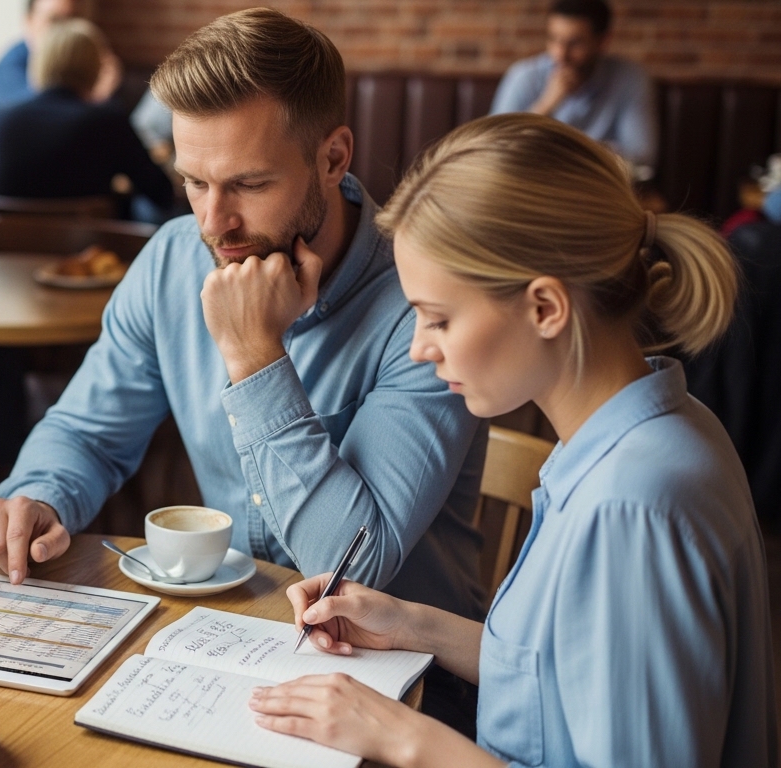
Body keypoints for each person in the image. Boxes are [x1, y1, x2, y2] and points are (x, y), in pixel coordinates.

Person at [0, 8, 487, 734]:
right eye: (193, 182)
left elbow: (349, 572)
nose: (214, 223)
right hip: (237, 654)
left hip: (416, 695)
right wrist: (40, 496)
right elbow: (88, 433)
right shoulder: (173, 260)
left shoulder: (425, 306)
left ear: (333, 158)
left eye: (248, 183)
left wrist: (254, 356)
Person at [248, 113, 777, 767]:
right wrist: (411, 624)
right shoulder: (660, 427)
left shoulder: (629, 503)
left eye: (438, 319)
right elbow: (568, 675)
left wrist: (401, 737)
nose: (419, 349)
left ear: (546, 308)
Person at [0, 19, 173, 213]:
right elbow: (162, 193)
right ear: (95, 68)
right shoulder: (107, 122)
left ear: (39, 63)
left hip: (6, 233)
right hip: (91, 234)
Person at [490, 0, 656, 172]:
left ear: (602, 42)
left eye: (575, 43)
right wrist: (547, 104)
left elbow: (642, 157)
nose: (560, 54)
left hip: (599, 185)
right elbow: (493, 146)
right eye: (553, 38)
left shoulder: (629, 78)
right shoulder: (524, 76)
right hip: (534, 182)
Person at [0, 0, 118, 119]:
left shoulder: (81, 64)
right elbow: (44, 118)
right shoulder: (11, 68)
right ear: (29, 22)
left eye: (73, 19)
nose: (65, 32)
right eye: (54, 20)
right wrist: (96, 96)